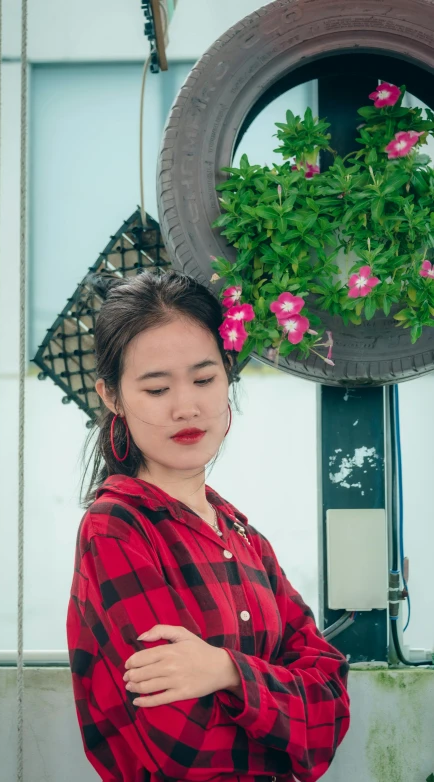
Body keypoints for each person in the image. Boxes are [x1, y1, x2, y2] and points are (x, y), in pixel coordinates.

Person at [66, 270, 350, 782]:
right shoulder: (116, 530)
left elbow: (330, 710)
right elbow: (183, 745)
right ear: (112, 397)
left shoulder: (245, 538)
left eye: (204, 379)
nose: (186, 407)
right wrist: (282, 709)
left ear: (227, 376)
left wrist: (225, 672)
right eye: (156, 388)